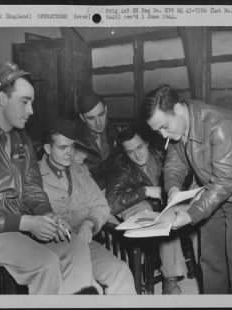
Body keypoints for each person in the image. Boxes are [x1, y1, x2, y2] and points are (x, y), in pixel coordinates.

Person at [0, 61, 96, 294]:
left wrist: (47, 215)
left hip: (16, 225)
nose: (32, 110)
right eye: (25, 102)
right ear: (2, 99)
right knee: (44, 263)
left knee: (75, 246)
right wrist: (27, 223)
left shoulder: (22, 139)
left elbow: (33, 189)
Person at [141, 85, 232, 294]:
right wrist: (173, 189)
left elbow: (225, 182)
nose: (163, 135)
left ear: (180, 109)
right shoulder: (177, 128)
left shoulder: (219, 125)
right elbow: (174, 165)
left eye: (164, 126)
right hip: (211, 194)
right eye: (158, 131)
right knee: (211, 262)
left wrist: (190, 214)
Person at [40, 120, 137, 294]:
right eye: (63, 148)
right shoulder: (34, 177)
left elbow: (101, 206)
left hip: (85, 242)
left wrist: (90, 223)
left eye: (72, 146)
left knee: (120, 272)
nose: (70, 153)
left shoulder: (80, 171)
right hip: (52, 249)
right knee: (88, 289)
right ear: (48, 149)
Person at [106, 126, 197, 294]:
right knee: (157, 217)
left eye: (140, 147)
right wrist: (145, 191)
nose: (137, 154)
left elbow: (184, 175)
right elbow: (111, 203)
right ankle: (170, 279)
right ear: (125, 153)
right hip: (144, 210)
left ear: (146, 143)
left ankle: (180, 277)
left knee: (180, 216)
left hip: (167, 207)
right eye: (131, 151)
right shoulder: (122, 166)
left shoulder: (162, 155)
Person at [74, 93, 120, 189]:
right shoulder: (73, 139)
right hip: (87, 192)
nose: (98, 123)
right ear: (82, 118)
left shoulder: (117, 134)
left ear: (106, 110)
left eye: (101, 115)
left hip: (114, 189)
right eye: (91, 118)